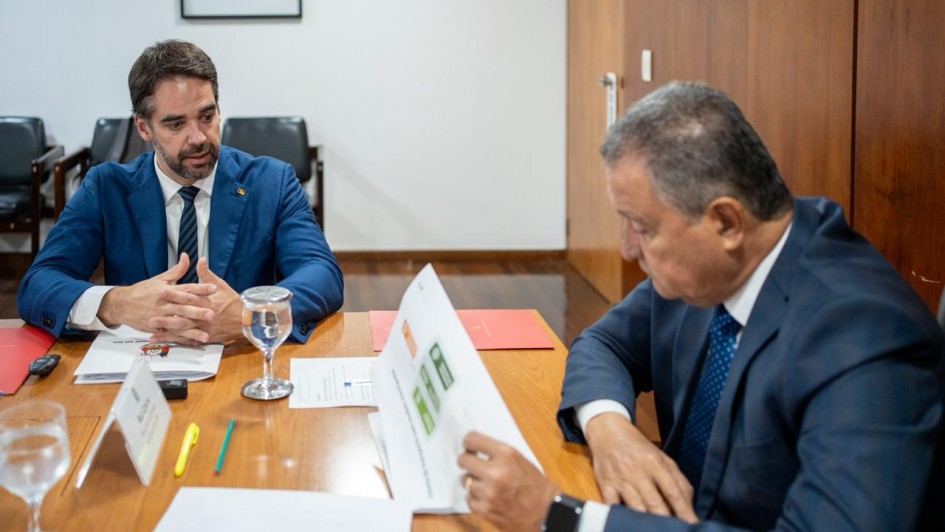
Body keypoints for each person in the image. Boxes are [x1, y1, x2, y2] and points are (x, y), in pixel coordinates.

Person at [458, 82, 945, 531]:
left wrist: (562, 518)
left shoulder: (866, 337)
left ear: (727, 222)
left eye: (643, 227)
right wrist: (610, 430)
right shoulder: (711, 269)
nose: (629, 248)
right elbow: (605, 343)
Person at [17, 40, 343, 345]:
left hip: (238, 357)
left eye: (207, 116)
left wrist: (253, 315)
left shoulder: (271, 181)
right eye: (175, 124)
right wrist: (116, 303)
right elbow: (39, 284)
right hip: (140, 362)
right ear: (144, 128)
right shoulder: (106, 187)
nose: (198, 137)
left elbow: (322, 275)